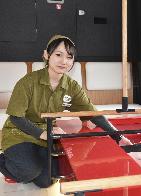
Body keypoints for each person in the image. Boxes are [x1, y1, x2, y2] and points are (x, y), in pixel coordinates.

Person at [0, 35, 125, 188]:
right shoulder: (27, 82)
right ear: (47, 55)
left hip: (48, 135)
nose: (64, 61)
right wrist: (43, 133)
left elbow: (90, 113)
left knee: (47, 181)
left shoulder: (72, 86)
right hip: (19, 133)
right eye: (58, 55)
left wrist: (117, 135)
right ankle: (6, 162)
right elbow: (16, 118)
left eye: (69, 57)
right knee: (28, 172)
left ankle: (27, 165)